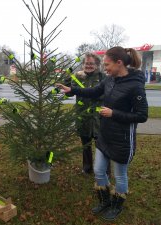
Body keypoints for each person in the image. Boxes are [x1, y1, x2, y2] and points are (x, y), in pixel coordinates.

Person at [56, 46, 148, 220]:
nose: (105, 68)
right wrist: (72, 90)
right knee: (99, 171)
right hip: (104, 134)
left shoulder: (135, 85)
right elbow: (94, 91)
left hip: (122, 140)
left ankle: (116, 205)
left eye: (107, 65)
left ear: (119, 63)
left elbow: (142, 115)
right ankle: (105, 200)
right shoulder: (109, 80)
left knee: (120, 175)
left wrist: (114, 113)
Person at [64, 53, 110, 175]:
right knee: (85, 144)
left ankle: (105, 170)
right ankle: (87, 168)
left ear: (97, 65)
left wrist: (96, 95)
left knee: (102, 145)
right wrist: (67, 80)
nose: (88, 66)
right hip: (83, 115)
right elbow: (69, 94)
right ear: (83, 64)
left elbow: (108, 94)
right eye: (86, 63)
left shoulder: (103, 77)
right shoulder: (78, 77)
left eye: (91, 63)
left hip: (98, 117)